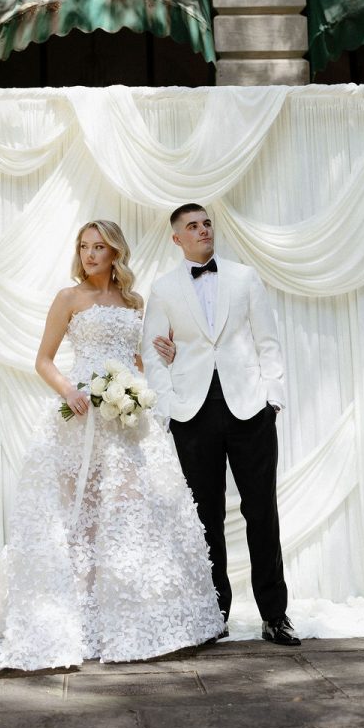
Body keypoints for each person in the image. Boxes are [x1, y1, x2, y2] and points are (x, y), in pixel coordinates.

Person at [0, 220, 223, 673]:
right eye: (85, 247)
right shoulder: (68, 299)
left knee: (131, 511)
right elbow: (43, 360)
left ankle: (131, 615)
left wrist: (158, 362)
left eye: (100, 247)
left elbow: (138, 360)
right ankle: (79, 616)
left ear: (115, 253)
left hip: (127, 417)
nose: (90, 255)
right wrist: (69, 391)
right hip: (81, 416)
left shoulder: (134, 301)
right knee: (78, 517)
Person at [141, 203, 300, 647]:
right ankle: (214, 615)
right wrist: (168, 406)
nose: (203, 230)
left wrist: (273, 398)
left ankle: (275, 616)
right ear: (177, 238)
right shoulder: (164, 288)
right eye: (192, 226)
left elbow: (268, 342)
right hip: (192, 412)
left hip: (250, 408)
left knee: (261, 512)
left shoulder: (244, 277)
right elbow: (153, 353)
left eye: (207, 223)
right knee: (205, 518)